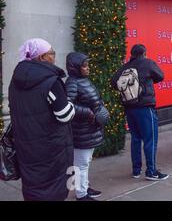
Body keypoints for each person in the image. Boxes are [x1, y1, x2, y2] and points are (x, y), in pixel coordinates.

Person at [8, 38, 75, 201]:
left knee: (33, 186)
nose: (54, 57)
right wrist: (71, 103)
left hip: (26, 145)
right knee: (54, 189)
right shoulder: (50, 81)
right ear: (41, 57)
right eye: (52, 53)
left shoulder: (15, 80)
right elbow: (65, 115)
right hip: (51, 147)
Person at [111, 44, 168, 180]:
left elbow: (113, 82)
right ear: (144, 53)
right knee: (150, 139)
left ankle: (136, 171)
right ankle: (151, 171)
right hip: (145, 107)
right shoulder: (147, 63)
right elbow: (160, 76)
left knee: (136, 139)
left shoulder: (125, 67)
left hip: (129, 108)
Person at [65, 52, 109, 201]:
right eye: (85, 66)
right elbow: (68, 105)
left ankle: (84, 187)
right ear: (76, 67)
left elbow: (92, 99)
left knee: (85, 163)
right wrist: (88, 113)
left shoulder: (83, 80)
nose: (88, 68)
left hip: (90, 129)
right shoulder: (72, 82)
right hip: (80, 131)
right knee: (80, 165)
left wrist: (100, 108)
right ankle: (81, 195)